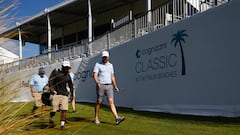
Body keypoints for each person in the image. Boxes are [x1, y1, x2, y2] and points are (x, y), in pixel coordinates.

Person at [93, 50, 125, 125]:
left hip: (109, 86)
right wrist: (97, 82)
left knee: (111, 102)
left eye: (105, 57)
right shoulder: (98, 64)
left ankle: (117, 118)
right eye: (103, 57)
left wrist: (115, 86)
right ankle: (96, 118)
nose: (104, 58)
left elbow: (112, 77)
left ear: (108, 57)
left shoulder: (111, 65)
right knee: (99, 102)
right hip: (101, 85)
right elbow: (95, 74)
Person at [48, 60, 74, 129]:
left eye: (68, 67)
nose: (67, 69)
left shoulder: (68, 76)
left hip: (64, 95)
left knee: (64, 109)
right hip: (56, 94)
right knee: (54, 110)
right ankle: (51, 120)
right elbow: (50, 81)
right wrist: (52, 89)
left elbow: (71, 85)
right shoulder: (56, 73)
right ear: (62, 67)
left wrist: (72, 95)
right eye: (66, 67)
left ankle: (62, 125)